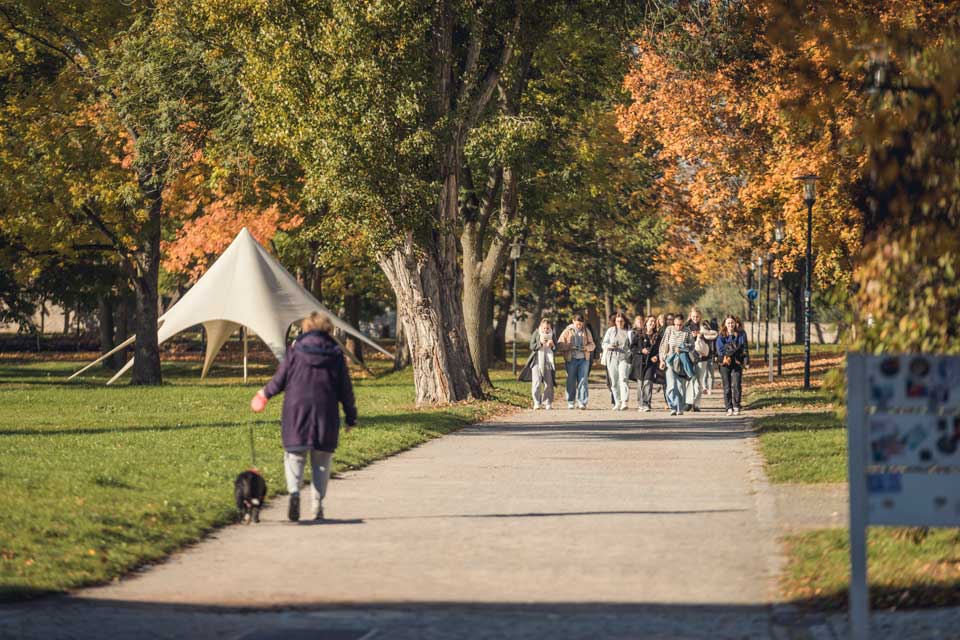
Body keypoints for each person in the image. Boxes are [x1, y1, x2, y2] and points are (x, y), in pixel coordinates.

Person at [250, 312, 357, 522]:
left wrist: (263, 395)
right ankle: (317, 505)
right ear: (329, 330)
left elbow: (280, 379)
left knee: (294, 455)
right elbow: (345, 389)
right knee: (322, 460)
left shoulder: (295, 351)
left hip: (296, 410)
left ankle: (294, 493)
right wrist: (351, 417)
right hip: (325, 412)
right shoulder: (335, 354)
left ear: (306, 328)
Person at [658, 314, 696, 415]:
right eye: (676, 325)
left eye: (680, 325)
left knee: (680, 386)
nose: (678, 327)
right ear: (673, 323)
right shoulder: (669, 330)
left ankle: (680, 407)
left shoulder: (687, 331)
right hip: (670, 360)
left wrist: (683, 347)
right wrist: (661, 360)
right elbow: (663, 346)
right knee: (671, 385)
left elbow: (692, 346)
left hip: (682, 361)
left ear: (683, 323)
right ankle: (673, 406)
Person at [558, 314, 596, 410]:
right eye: (577, 324)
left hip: (583, 359)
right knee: (571, 380)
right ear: (573, 321)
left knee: (583, 380)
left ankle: (582, 402)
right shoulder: (567, 331)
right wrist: (569, 346)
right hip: (571, 359)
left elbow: (592, 345)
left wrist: (586, 348)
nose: (579, 326)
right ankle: (571, 401)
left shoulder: (586, 331)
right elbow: (560, 344)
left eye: (580, 324)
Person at [716, 315, 750, 415]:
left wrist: (746, 361)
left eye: (732, 323)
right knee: (727, 386)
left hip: (737, 362)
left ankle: (736, 405)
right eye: (728, 323)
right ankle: (728, 407)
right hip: (725, 363)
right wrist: (735, 350)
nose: (730, 324)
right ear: (725, 324)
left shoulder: (741, 334)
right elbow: (721, 350)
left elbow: (744, 348)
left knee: (737, 385)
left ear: (735, 323)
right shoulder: (721, 335)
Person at [629, 315, 662, 412]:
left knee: (648, 382)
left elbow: (661, 349)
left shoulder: (657, 336)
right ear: (646, 322)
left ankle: (646, 403)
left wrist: (657, 356)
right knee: (640, 384)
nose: (652, 323)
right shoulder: (639, 334)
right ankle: (640, 404)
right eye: (650, 321)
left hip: (651, 363)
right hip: (639, 362)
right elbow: (632, 347)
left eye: (654, 321)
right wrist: (641, 350)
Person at [682, 307, 711, 412]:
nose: (695, 318)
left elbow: (711, 337)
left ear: (700, 316)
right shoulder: (686, 326)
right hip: (689, 356)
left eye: (697, 316)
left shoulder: (704, 325)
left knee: (699, 381)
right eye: (693, 316)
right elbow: (682, 339)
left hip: (702, 357)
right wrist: (691, 336)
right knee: (690, 379)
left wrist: (701, 335)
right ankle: (688, 402)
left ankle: (697, 404)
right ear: (690, 315)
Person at [602, 312, 632, 411]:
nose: (619, 323)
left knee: (623, 378)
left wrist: (629, 352)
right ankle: (617, 402)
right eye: (617, 321)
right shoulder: (610, 331)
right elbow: (604, 343)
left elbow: (632, 345)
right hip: (612, 357)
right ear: (615, 322)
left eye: (621, 321)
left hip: (624, 358)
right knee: (614, 381)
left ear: (624, 321)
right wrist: (609, 346)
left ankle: (624, 402)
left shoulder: (628, 332)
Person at [527, 318, 556, 410]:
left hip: (548, 361)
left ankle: (547, 402)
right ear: (540, 327)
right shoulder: (536, 333)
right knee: (536, 383)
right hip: (536, 361)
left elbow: (556, 347)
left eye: (547, 328)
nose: (546, 330)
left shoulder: (552, 334)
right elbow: (531, 346)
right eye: (544, 328)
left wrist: (553, 345)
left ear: (550, 327)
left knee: (549, 383)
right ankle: (536, 402)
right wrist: (540, 344)